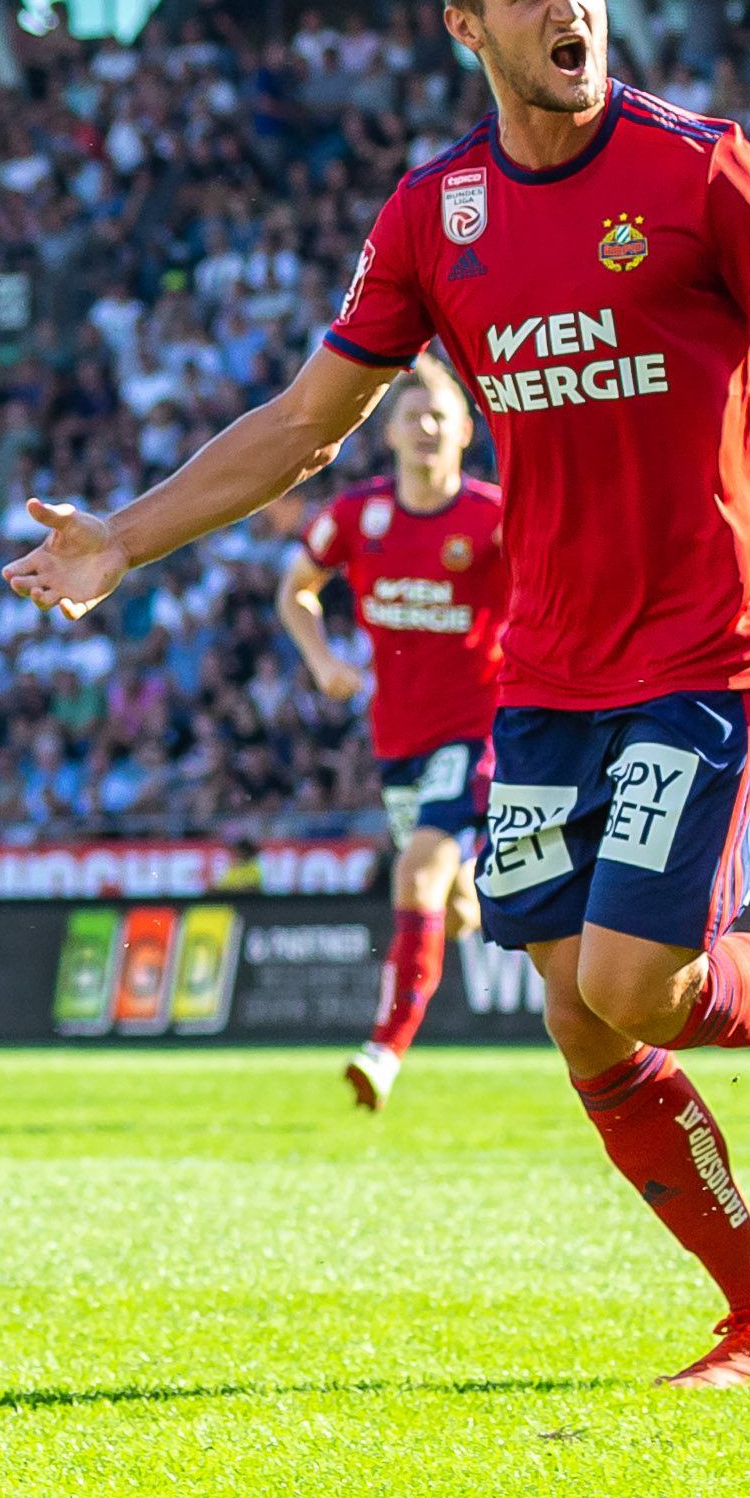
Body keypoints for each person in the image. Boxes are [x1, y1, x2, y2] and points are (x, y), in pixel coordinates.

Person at [6, 0, 750, 1389]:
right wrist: (124, 534)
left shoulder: (702, 170)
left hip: (704, 650)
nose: (569, 9)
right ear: (468, 25)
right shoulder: (432, 216)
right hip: (544, 675)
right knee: (578, 1021)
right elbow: (304, 426)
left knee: (638, 983)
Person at [277, 356, 506, 1110]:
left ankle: (384, 1048)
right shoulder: (356, 515)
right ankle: (472, 891)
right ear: (390, 433)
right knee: (453, 898)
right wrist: (319, 659)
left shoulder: (493, 516)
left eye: (440, 415)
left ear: (465, 431)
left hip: (477, 731)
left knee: (413, 872)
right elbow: (295, 590)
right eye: (412, 416)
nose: (426, 427)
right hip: (396, 737)